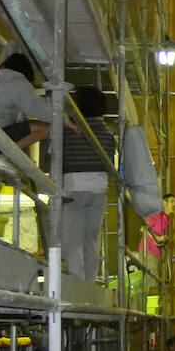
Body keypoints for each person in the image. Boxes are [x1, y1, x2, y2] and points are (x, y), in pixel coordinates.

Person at [60, 85, 116, 281]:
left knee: (72, 242)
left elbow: (58, 158)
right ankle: (90, 283)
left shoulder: (70, 129)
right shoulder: (107, 134)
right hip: (99, 190)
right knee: (91, 240)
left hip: (73, 187)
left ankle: (77, 283)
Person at [0, 53, 50, 168]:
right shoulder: (19, 83)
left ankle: (2, 158)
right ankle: (9, 156)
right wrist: (64, 120)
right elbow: (38, 109)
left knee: (22, 130)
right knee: (42, 128)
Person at [141, 192, 175, 267]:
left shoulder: (167, 219)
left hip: (156, 253)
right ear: (164, 203)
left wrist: (165, 238)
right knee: (152, 277)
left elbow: (161, 235)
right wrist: (157, 238)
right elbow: (143, 228)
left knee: (155, 277)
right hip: (148, 251)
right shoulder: (156, 214)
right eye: (172, 201)